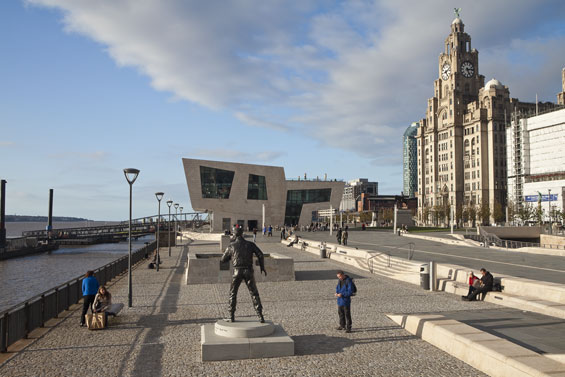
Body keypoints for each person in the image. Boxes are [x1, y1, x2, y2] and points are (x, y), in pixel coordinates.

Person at [221, 227, 267, 322]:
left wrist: (231, 257)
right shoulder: (250, 244)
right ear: (242, 234)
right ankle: (260, 315)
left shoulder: (231, 246)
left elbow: (223, 259)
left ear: (234, 234)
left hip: (237, 271)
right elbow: (260, 255)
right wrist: (262, 267)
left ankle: (231, 315)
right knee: (254, 293)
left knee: (233, 293)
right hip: (248, 271)